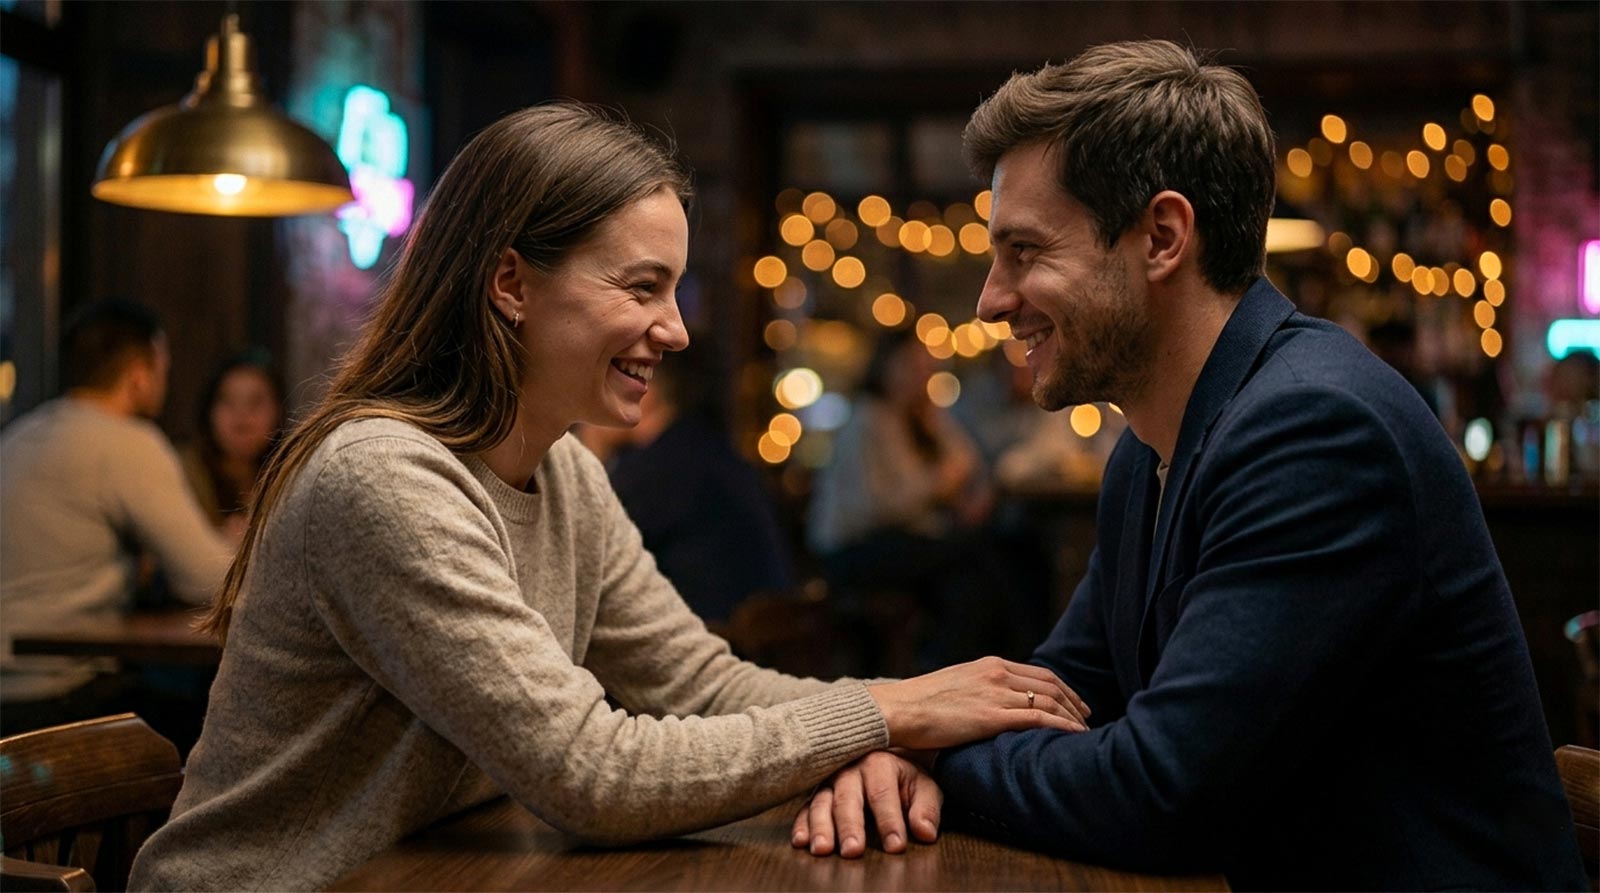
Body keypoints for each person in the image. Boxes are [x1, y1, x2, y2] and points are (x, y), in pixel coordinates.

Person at [126, 103, 1090, 892]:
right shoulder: (383, 476)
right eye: (642, 287)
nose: (673, 330)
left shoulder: (564, 468)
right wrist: (889, 711)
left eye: (671, 291)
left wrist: (868, 743)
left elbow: (703, 685)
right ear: (511, 281)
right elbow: (589, 772)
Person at [794, 41, 1587, 890]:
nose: (989, 298)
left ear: (1163, 237)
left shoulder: (1315, 430)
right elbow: (1053, 693)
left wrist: (922, 750)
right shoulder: (1151, 446)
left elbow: (1157, 790)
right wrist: (931, 733)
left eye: (1023, 251)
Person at [0, 301, 234, 733]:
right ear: (140, 375)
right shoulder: (128, 442)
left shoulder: (19, 435)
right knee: (222, 729)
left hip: (11, 691)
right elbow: (209, 581)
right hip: (59, 691)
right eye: (163, 365)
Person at [809, 328, 1031, 665]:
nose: (922, 374)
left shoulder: (921, 416)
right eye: (912, 365)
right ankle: (988, 662)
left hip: (907, 542)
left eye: (925, 366)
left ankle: (955, 672)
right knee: (976, 557)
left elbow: (968, 463)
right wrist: (940, 486)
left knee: (971, 580)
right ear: (886, 366)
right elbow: (878, 507)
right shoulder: (868, 419)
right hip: (853, 548)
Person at [578, 356, 794, 626]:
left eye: (608, 385)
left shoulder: (660, 469)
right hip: (762, 643)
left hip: (712, 645)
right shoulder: (706, 446)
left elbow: (581, 558)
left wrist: (590, 450)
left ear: (645, 391)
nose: (592, 403)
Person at [178, 349, 286, 539]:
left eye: (255, 402)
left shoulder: (288, 475)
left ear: (278, 410)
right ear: (209, 411)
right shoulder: (184, 473)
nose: (242, 416)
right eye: (228, 401)